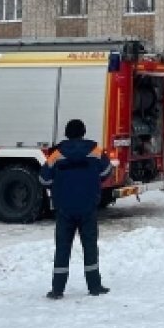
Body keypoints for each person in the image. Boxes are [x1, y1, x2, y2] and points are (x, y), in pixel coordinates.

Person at [40, 119, 115, 299]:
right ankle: (94, 286)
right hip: (88, 206)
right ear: (83, 132)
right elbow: (107, 172)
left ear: (66, 133)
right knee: (90, 247)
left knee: (62, 248)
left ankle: (57, 289)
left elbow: (44, 179)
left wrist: (59, 186)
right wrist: (91, 183)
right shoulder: (95, 151)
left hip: (64, 208)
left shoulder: (56, 154)